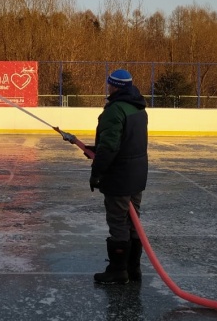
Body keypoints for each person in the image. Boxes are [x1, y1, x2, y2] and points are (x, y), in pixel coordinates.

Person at [88, 68, 149, 284]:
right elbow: (125, 142)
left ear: (115, 86)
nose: (108, 87)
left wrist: (96, 174)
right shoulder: (138, 108)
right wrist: (96, 148)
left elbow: (110, 147)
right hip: (137, 175)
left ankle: (118, 270)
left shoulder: (114, 111)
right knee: (133, 221)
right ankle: (134, 270)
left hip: (120, 176)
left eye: (109, 84)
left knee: (118, 221)